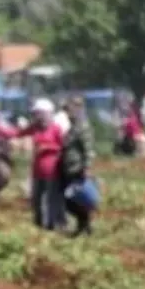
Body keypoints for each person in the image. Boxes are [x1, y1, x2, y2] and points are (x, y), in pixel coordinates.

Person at [13, 99, 66, 230]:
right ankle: (38, 223)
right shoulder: (34, 128)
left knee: (52, 199)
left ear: (47, 114)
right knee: (36, 199)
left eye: (39, 114)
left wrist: (48, 148)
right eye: (35, 114)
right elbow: (17, 134)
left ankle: (53, 224)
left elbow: (64, 147)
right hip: (37, 170)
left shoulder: (56, 129)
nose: (37, 117)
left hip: (52, 170)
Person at [59, 97, 96, 236]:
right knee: (69, 200)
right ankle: (83, 226)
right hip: (68, 169)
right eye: (67, 111)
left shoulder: (82, 127)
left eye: (71, 110)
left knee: (75, 198)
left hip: (77, 169)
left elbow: (88, 150)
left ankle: (85, 225)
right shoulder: (72, 128)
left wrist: (87, 168)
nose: (69, 113)